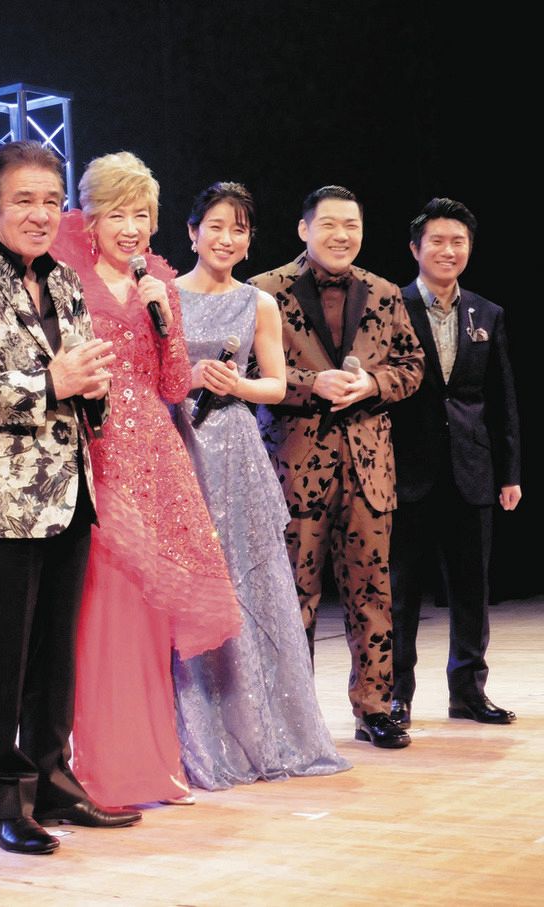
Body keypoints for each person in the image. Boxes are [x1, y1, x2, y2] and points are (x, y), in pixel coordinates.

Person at [0, 139, 140, 858]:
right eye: (23, 200)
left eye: (51, 201)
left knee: (54, 656)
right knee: (2, 661)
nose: (41, 214)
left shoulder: (67, 281)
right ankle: (2, 800)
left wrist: (94, 390)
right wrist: (52, 383)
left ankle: (53, 779)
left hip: (70, 491)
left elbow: (81, 379)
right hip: (0, 503)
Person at [49, 153, 239, 807]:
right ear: (91, 219)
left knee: (150, 615)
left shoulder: (158, 281)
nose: (130, 228)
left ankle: (157, 767)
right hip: (96, 452)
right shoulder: (66, 279)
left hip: (155, 456)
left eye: (141, 215)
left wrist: (166, 320)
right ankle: (103, 771)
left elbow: (175, 384)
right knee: (104, 614)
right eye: (117, 214)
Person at [170, 182, 350, 788]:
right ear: (192, 232)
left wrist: (235, 385)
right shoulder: (166, 297)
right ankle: (191, 735)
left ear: (249, 241)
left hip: (238, 449)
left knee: (250, 583)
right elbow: (149, 378)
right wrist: (189, 378)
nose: (227, 239)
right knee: (191, 583)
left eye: (239, 229)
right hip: (180, 446)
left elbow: (275, 384)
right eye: (216, 226)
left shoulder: (258, 303)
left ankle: (260, 731)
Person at [249, 186, 424, 749]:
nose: (341, 235)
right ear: (304, 229)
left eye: (352, 225)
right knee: (291, 596)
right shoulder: (264, 291)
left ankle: (375, 709)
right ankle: (290, 718)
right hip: (292, 467)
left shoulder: (385, 292)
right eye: (328, 224)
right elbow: (245, 372)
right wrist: (309, 385)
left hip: (369, 471)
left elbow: (413, 365)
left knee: (372, 594)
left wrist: (372, 383)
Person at [388, 198, 521, 729]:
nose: (449, 250)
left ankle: (468, 691)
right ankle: (395, 694)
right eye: (437, 241)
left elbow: (502, 399)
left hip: (472, 469)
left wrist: (509, 473)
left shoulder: (487, 313)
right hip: (405, 470)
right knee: (400, 592)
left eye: (458, 241)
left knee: (471, 589)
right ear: (415, 248)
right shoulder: (390, 306)